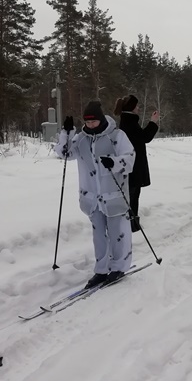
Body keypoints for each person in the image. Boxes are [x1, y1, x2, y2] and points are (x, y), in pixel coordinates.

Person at [56, 101, 136, 288]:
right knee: (98, 236)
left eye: (93, 122)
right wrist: (66, 134)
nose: (90, 125)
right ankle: (101, 270)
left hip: (114, 195)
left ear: (100, 119)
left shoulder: (116, 136)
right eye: (87, 122)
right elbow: (65, 154)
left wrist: (114, 162)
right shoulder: (81, 138)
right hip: (92, 197)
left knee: (118, 234)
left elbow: (130, 158)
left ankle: (118, 267)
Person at [114, 94, 158, 233]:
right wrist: (153, 122)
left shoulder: (127, 120)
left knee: (132, 193)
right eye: (137, 106)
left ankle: (131, 223)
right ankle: (131, 224)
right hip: (133, 165)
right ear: (132, 108)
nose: (139, 108)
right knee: (133, 194)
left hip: (131, 164)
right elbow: (144, 137)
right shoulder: (129, 122)